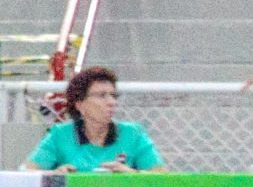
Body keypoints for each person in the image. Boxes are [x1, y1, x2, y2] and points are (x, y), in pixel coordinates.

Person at [30, 66, 165, 172]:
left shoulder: (133, 134)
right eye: (102, 95)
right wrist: (55, 176)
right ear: (80, 105)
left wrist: (131, 174)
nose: (111, 102)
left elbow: (162, 177)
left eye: (113, 95)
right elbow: (27, 172)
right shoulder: (60, 135)